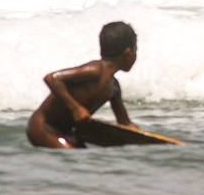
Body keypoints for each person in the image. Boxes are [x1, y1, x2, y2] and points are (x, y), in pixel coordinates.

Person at [26, 21, 140, 149]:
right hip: (44, 127)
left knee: (87, 161)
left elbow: (124, 122)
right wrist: (76, 108)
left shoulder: (113, 88)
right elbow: (52, 79)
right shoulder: (95, 70)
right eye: (136, 50)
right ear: (127, 53)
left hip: (67, 132)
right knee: (73, 157)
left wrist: (144, 138)